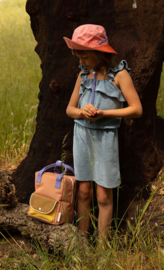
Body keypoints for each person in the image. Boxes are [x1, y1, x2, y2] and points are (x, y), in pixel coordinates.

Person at [63, 24, 142, 246]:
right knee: (84, 192)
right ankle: (82, 243)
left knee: (103, 196)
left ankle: (102, 248)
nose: (81, 61)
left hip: (106, 138)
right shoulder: (83, 75)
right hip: (82, 136)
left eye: (85, 56)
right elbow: (70, 109)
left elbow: (136, 109)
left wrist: (104, 113)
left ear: (100, 53)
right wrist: (82, 111)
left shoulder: (119, 74)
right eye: (79, 56)